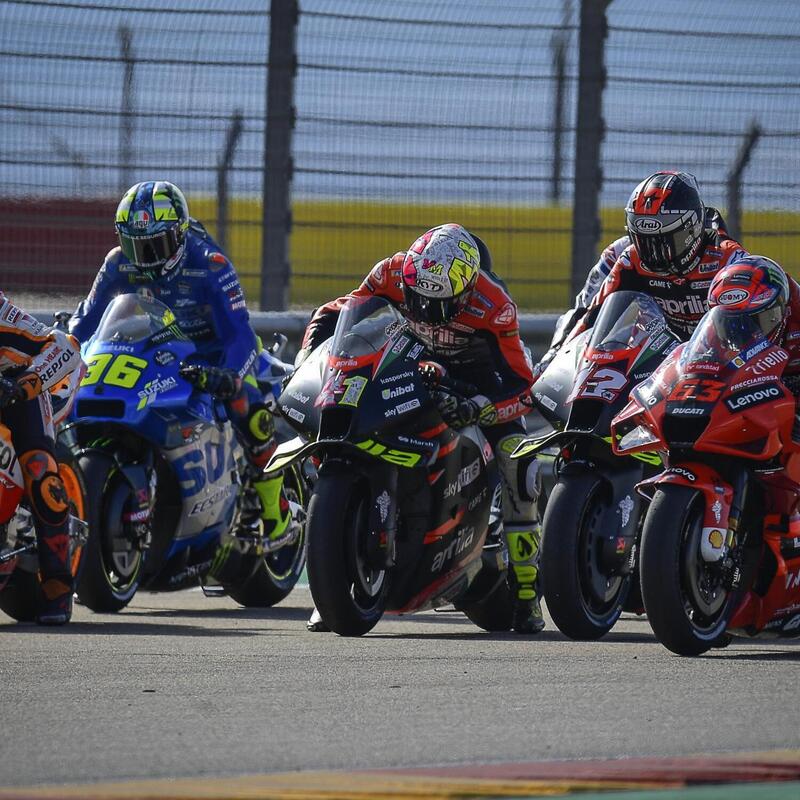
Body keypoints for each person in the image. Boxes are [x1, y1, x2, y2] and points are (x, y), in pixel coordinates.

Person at [300, 223, 543, 634]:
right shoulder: (390, 272)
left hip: (477, 382)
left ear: (466, 291)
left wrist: (479, 408)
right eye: (417, 298)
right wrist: (310, 359)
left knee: (519, 461)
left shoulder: (495, 305)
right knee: (336, 432)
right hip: (411, 366)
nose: (425, 309)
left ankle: (525, 590)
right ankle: (331, 588)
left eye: (438, 302)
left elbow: (523, 386)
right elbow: (337, 315)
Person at [69, 181, 296, 556]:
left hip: (216, 354)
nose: (144, 258)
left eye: (154, 246)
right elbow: (85, 321)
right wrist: (63, 348)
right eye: (134, 246)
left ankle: (277, 514)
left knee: (248, 408)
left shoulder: (209, 264)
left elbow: (239, 334)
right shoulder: (116, 263)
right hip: (160, 351)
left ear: (178, 235)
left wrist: (230, 375)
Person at [0, 294, 83, 624]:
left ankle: (57, 587)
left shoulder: (3, 315)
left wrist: (22, 386)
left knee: (40, 471)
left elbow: (65, 347)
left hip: (14, 398)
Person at [707, 255, 800, 407]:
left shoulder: (796, 319)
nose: (745, 333)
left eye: (756, 321)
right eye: (730, 323)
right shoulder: (712, 337)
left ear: (782, 311)